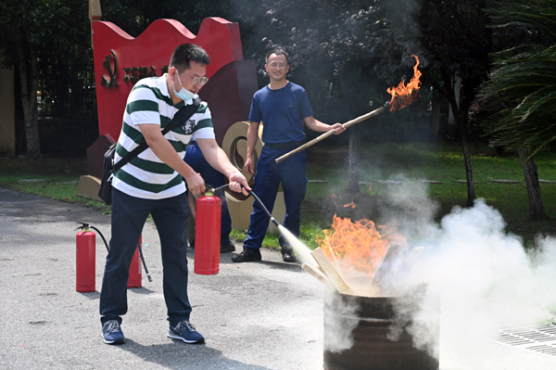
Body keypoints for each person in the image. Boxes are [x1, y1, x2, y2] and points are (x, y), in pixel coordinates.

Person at [99, 43, 250, 346]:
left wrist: (231, 171)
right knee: (121, 253)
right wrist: (190, 174)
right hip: (132, 187)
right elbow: (154, 139)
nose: (198, 85)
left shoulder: (198, 106)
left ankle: (179, 322)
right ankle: (111, 319)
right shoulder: (144, 91)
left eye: (202, 79)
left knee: (176, 256)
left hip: (168, 191)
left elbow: (210, 147)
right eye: (194, 78)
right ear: (172, 73)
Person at [232, 48, 345, 263]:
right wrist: (248, 156)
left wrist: (330, 127)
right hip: (269, 154)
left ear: (287, 68)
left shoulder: (298, 92)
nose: (277, 68)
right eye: (273, 64)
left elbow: (311, 122)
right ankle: (252, 248)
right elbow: (252, 128)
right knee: (261, 203)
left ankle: (288, 248)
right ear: (266, 68)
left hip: (294, 153)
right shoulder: (259, 96)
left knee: (293, 203)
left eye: (281, 64)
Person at [183, 137, 234, 253]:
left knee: (181, 196)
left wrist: (196, 216)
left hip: (184, 151)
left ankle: (190, 239)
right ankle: (222, 241)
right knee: (216, 196)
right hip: (207, 149)